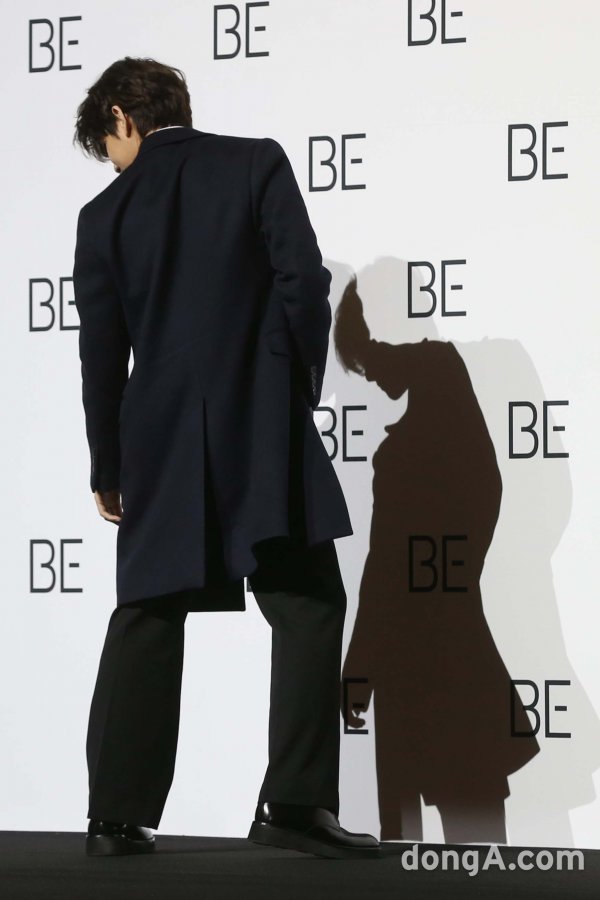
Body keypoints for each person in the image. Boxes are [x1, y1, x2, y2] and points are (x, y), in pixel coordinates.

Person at [72, 56, 381, 859]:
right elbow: (303, 283)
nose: (114, 162)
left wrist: (109, 467)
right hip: (261, 423)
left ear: (122, 118)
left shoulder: (102, 216)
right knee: (307, 602)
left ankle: (115, 817)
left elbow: (101, 357)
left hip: (159, 440)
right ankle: (294, 807)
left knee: (149, 611)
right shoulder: (255, 163)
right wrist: (290, 390)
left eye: (109, 144)